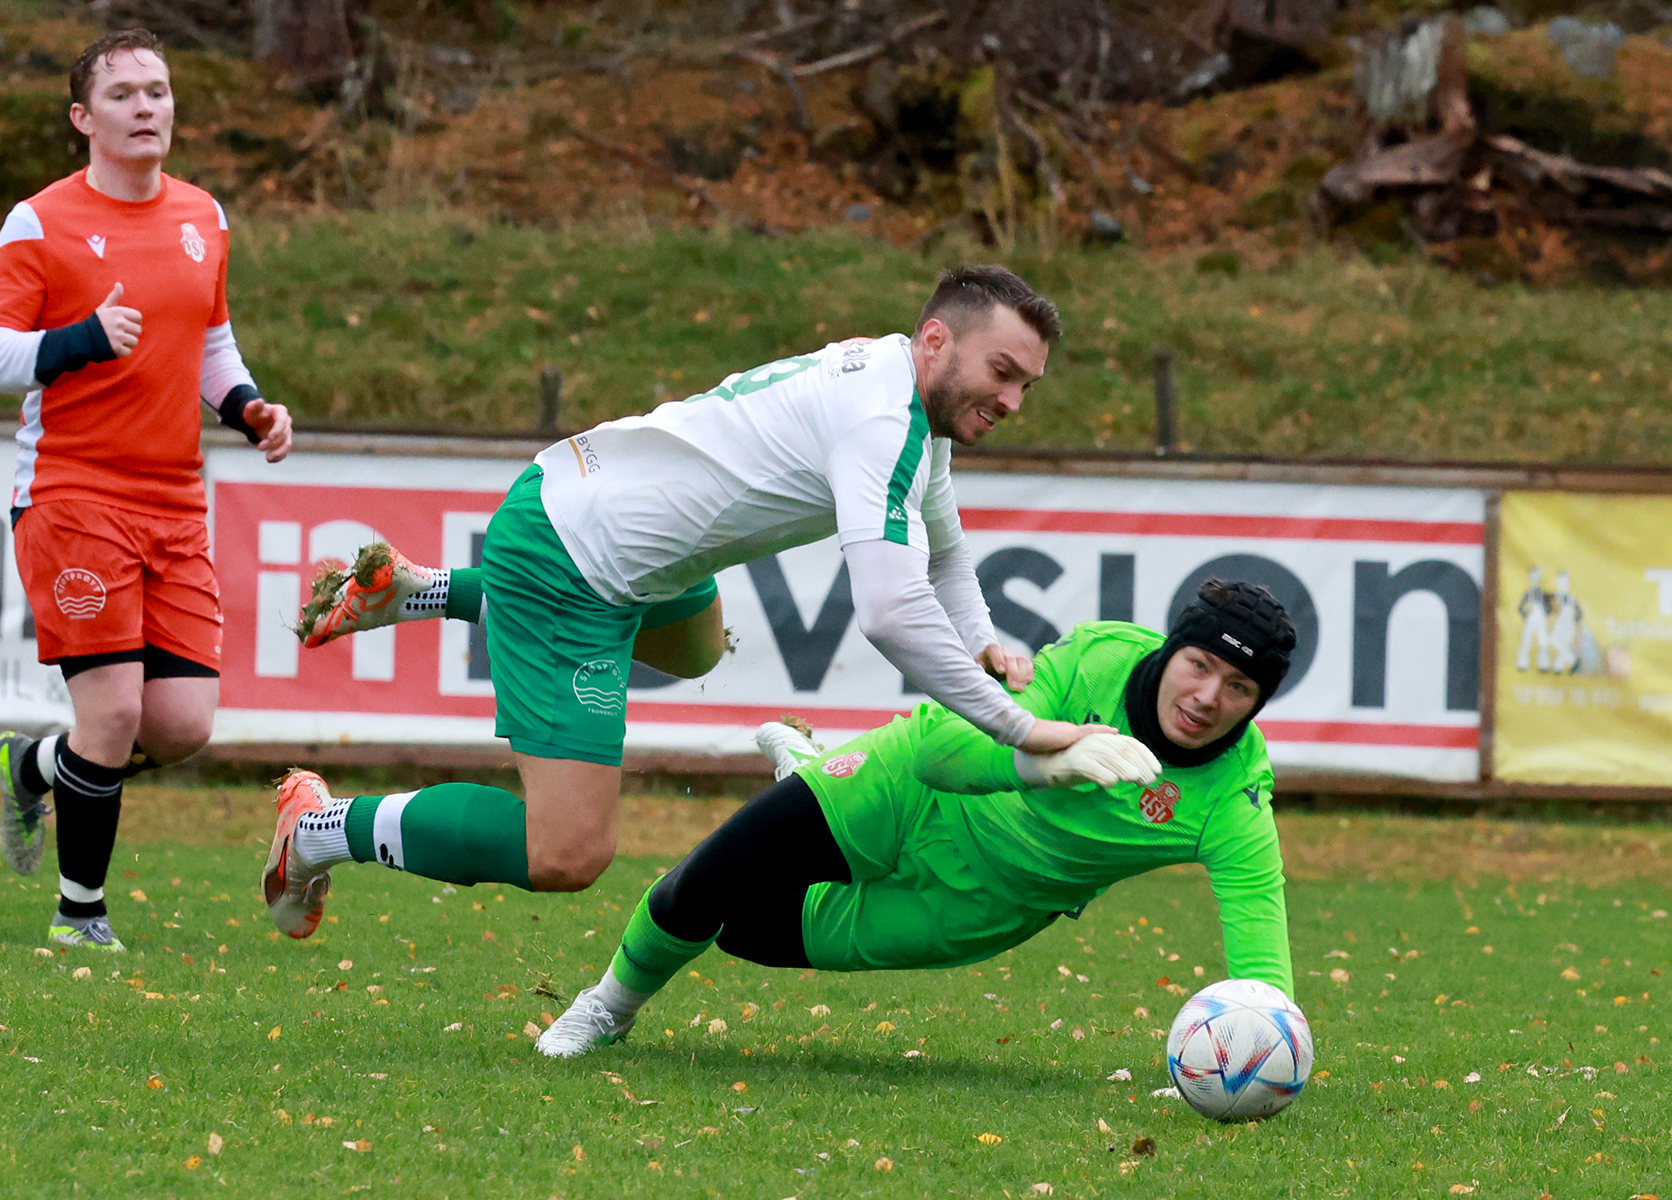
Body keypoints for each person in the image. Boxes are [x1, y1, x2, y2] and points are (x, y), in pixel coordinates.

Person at [262, 266, 1108, 939]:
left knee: (700, 649)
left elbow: (947, 551)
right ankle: (318, 828)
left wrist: (984, 638)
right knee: (566, 853)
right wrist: (1020, 729)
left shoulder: (900, 392)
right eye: (1003, 373)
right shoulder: (882, 423)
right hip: (572, 562)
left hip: (611, 514)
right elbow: (889, 611)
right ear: (936, 338)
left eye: (1028, 384)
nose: (1012, 401)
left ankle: (417, 594)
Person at [536, 579, 1299, 1058]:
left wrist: (1249, 1062)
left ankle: (799, 775)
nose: (1207, 697)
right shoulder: (1097, 658)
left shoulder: (1235, 795)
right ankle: (604, 1010)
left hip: (981, 903)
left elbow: (1260, 943)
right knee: (700, 890)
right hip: (911, 790)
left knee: (744, 930)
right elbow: (942, 750)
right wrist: (1046, 757)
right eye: (1200, 665)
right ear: (1172, 652)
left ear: (1258, 705)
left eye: (1239, 688)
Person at [0, 28, 293, 951]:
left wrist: (249, 407)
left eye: (159, 90)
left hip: (173, 499)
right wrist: (78, 338)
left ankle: (30, 768)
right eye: (124, 95)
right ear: (83, 118)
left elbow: (209, 338)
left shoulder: (204, 215)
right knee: (110, 711)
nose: (147, 107)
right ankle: (81, 917)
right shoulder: (41, 221)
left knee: (180, 724)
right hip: (72, 492)